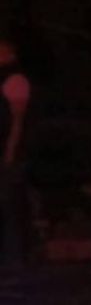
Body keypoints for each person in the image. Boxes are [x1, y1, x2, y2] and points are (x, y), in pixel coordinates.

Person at [0, 38, 32, 269]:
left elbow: (18, 119)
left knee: (9, 204)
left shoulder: (16, 79)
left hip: (9, 153)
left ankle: (14, 258)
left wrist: (10, 152)